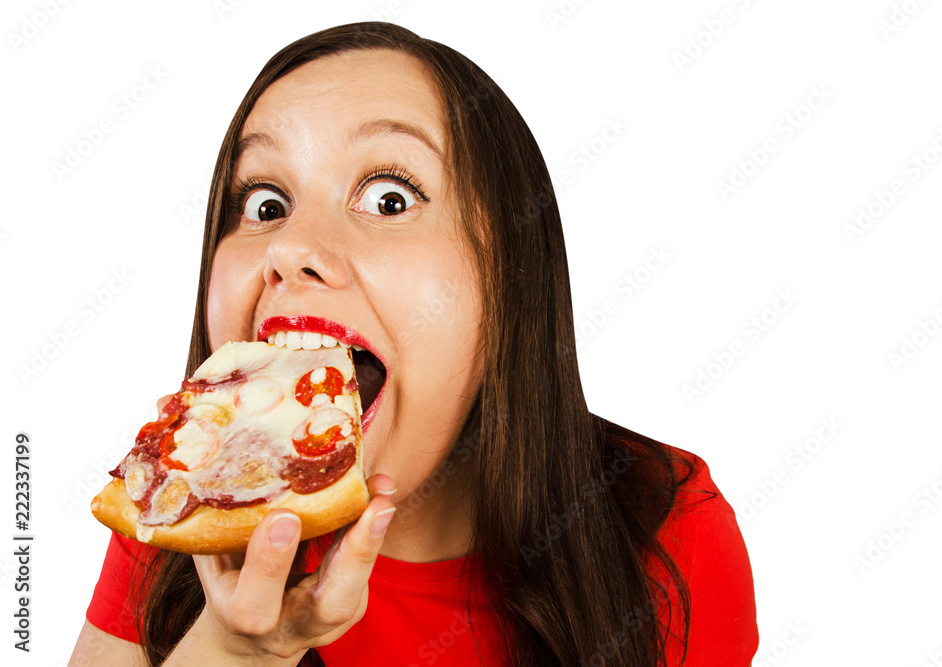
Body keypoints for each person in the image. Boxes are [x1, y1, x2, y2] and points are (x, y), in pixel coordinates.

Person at [69, 21, 758, 667]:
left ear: (510, 277)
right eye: (265, 203)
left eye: (389, 198)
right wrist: (232, 651)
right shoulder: (187, 501)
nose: (290, 246)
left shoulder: (667, 531)